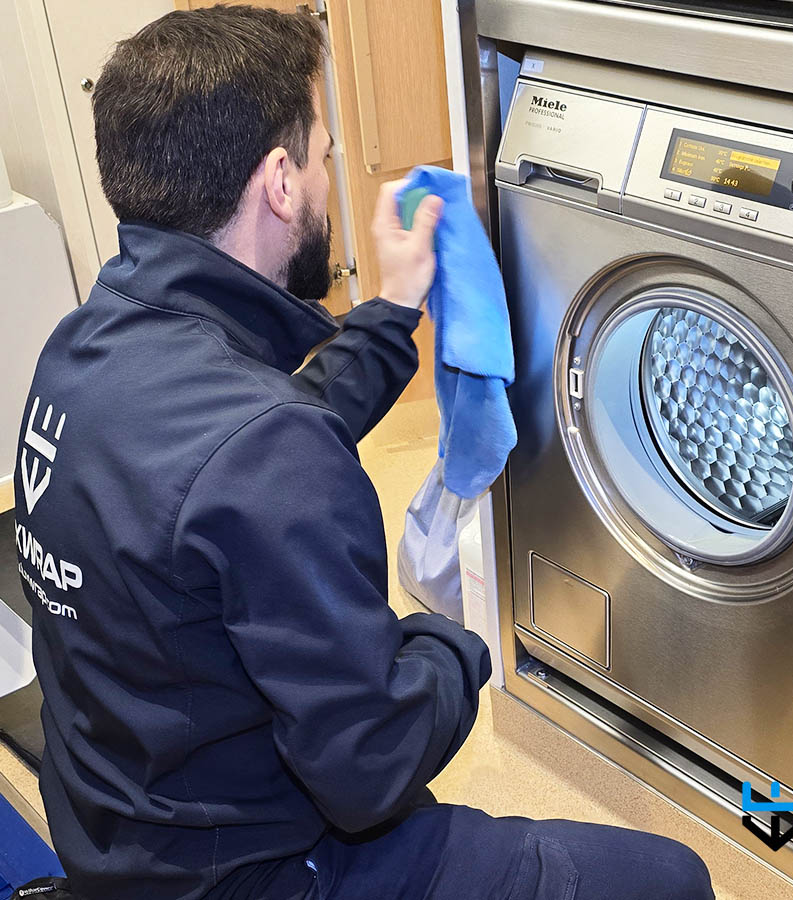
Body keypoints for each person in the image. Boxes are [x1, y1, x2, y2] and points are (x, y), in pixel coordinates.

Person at [13, 6, 715, 900]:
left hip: (121, 834)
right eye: (323, 157)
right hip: (252, 876)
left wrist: (395, 306)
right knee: (668, 878)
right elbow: (370, 766)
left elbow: (235, 456)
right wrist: (459, 634)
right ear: (278, 182)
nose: (330, 177)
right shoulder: (262, 450)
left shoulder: (84, 348)